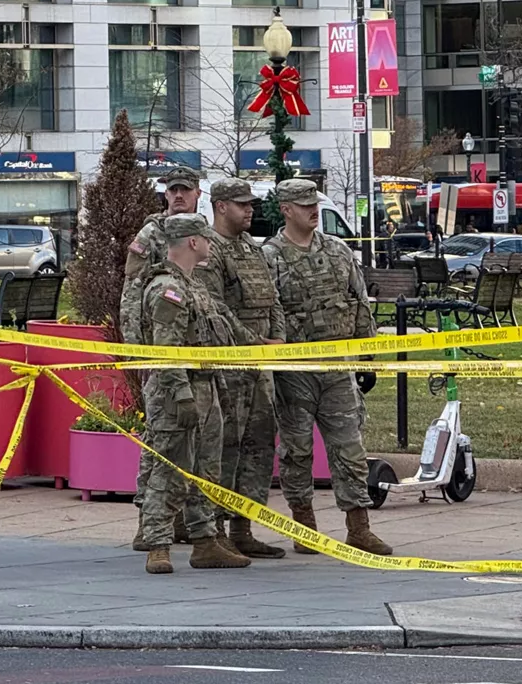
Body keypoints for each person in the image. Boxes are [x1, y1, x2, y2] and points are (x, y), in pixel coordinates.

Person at [263, 179, 393, 556]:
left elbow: (358, 301)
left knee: (350, 449)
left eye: (314, 203)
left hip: (337, 371)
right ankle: (304, 526)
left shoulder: (338, 251)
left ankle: (359, 527)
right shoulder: (270, 257)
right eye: (304, 205)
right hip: (294, 374)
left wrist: (367, 355)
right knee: (297, 452)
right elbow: (268, 313)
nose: (313, 210)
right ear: (286, 209)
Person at [140, 216, 252, 574]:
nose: (210, 243)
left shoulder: (194, 285)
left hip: (207, 387)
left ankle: (205, 542)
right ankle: (157, 544)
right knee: (170, 469)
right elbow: (166, 349)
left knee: (206, 471)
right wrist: (182, 395)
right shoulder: (168, 289)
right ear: (192, 241)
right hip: (177, 392)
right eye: (206, 238)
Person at [194, 178, 287, 559]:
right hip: (230, 365)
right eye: (242, 204)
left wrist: (277, 338)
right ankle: (214, 531)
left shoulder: (252, 248)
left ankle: (243, 527)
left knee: (259, 445)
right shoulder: (209, 250)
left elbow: (273, 298)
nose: (250, 210)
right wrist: (255, 342)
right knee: (224, 447)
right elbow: (215, 309)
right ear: (220, 206)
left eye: (251, 204)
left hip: (260, 365)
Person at [122, 164, 205, 552]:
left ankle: (184, 519)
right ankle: (149, 520)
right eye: (172, 190)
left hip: (197, 353)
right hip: (160, 349)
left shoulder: (202, 234)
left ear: (198, 193)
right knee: (160, 437)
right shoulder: (152, 234)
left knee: (194, 443)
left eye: (184, 190)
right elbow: (132, 292)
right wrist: (139, 351)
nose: (178, 196)